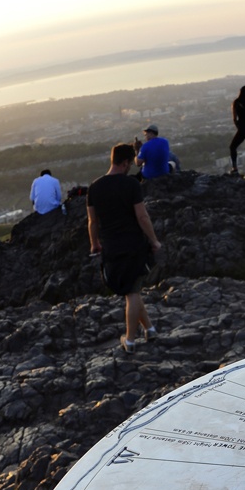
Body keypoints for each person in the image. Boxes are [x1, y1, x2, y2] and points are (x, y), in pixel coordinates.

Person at [88, 141, 162, 353]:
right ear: (126, 162)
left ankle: (150, 329)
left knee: (132, 289)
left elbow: (92, 222)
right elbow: (142, 215)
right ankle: (129, 340)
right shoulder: (130, 184)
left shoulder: (94, 187)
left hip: (110, 247)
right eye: (131, 163)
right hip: (134, 245)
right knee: (132, 292)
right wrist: (154, 240)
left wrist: (94, 244)